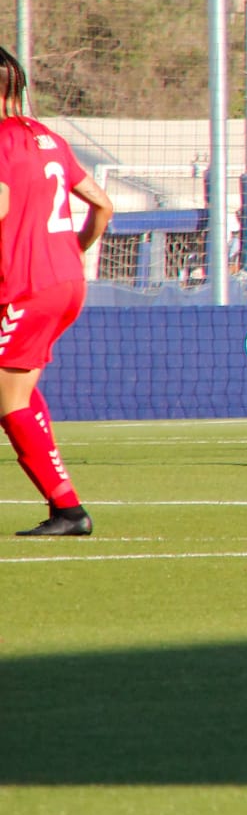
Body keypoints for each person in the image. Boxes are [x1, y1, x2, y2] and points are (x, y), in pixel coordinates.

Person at [0, 46, 115, 535]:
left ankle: (69, 510)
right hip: (66, 281)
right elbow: (103, 205)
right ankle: (63, 505)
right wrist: (72, 250)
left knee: (9, 402)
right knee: (18, 390)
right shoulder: (47, 137)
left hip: (25, 285)